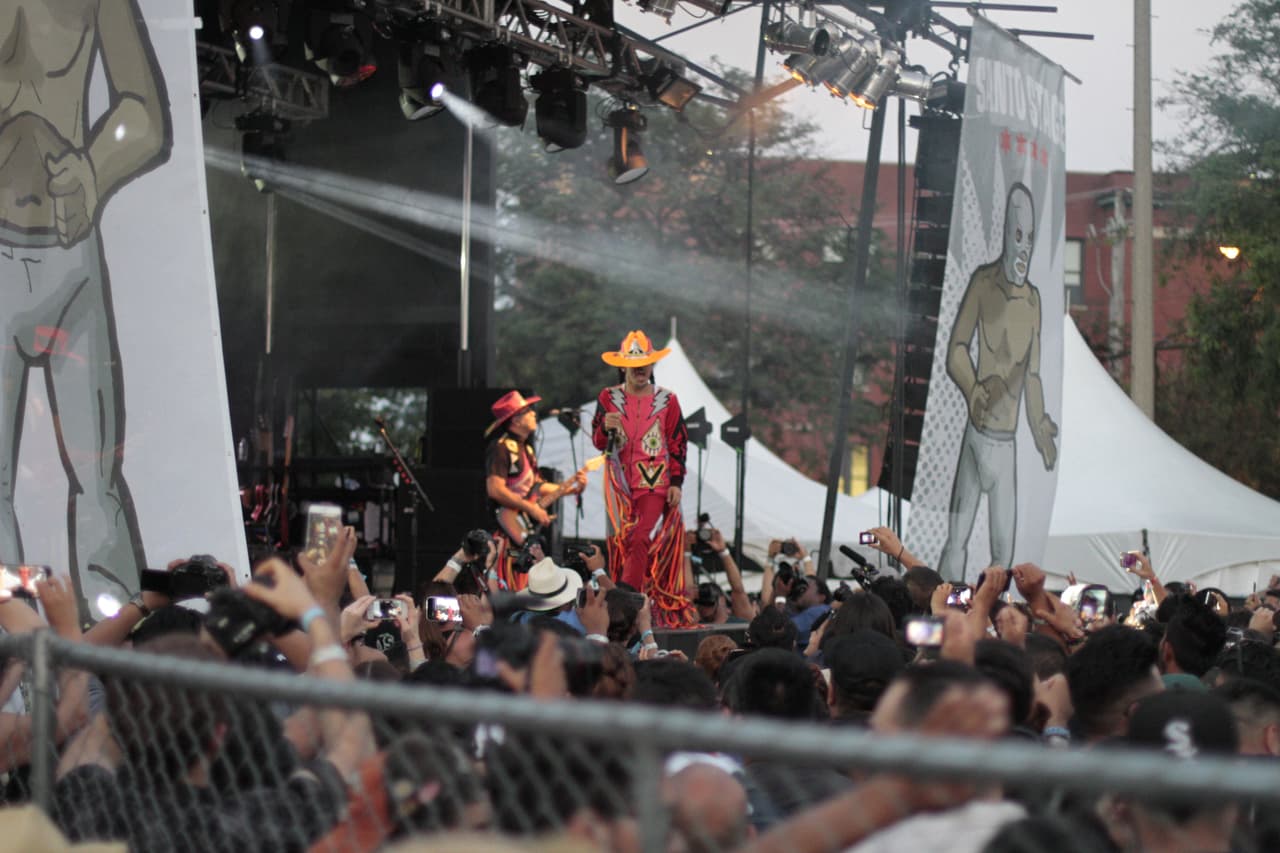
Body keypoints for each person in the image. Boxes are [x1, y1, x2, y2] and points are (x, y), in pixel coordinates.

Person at [0, 0, 172, 620]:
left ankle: (118, 656)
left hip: (72, 253)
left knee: (98, 479)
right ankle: (15, 662)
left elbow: (144, 113)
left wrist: (95, 171)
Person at [939, 183, 1058, 580]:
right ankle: (942, 614)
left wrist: (1040, 425)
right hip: (977, 434)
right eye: (1018, 235)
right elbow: (957, 346)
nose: (1023, 247)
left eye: (1030, 238)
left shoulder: (1034, 300)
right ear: (1006, 233)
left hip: (1006, 443)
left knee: (1002, 556)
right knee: (955, 540)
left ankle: (984, 623)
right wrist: (971, 387)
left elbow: (1034, 375)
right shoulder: (983, 282)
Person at [592, 330, 692, 627]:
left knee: (639, 538)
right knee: (623, 543)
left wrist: (675, 483)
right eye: (634, 364)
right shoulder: (608, 397)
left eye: (645, 363)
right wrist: (604, 427)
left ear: (652, 366)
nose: (640, 369)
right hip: (620, 485)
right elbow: (599, 442)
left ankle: (625, 604)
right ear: (622, 366)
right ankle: (643, 608)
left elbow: (678, 443)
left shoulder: (668, 400)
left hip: (654, 484)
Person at [485, 390, 586, 590]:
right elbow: (495, 489)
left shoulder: (527, 450)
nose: (534, 414)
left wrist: (571, 488)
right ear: (515, 420)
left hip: (521, 533)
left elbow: (538, 488)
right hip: (507, 531)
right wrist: (531, 509)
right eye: (527, 411)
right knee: (506, 584)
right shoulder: (501, 448)